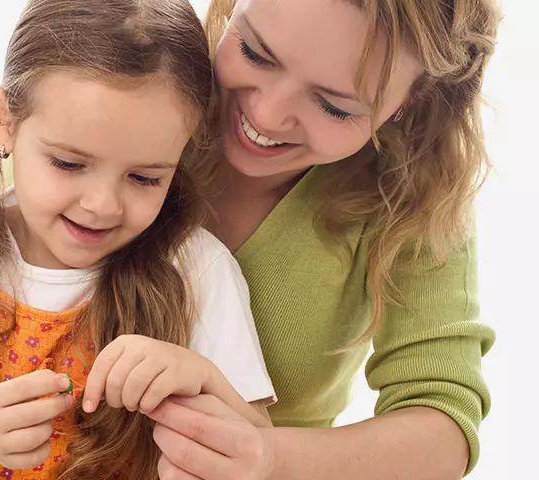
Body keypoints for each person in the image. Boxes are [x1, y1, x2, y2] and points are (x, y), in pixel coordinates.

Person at [0, 1, 276, 479]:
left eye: (144, 178)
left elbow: (258, 452)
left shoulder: (196, 269)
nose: (102, 204)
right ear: (2, 120)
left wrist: (202, 379)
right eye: (69, 164)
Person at [145, 0, 500, 479]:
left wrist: (268, 458)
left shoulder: (413, 196)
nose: (268, 115)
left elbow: (443, 428)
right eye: (254, 52)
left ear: (411, 101)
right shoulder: (137, 74)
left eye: (334, 106)